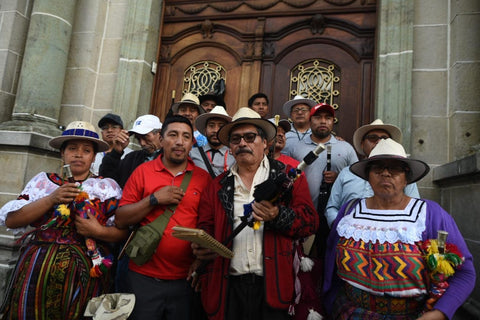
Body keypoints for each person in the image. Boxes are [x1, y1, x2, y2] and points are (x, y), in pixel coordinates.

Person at [324, 138, 476, 320]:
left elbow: (464, 272)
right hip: (349, 312)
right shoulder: (349, 211)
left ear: (407, 178)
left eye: (395, 168)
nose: (385, 174)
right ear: (367, 176)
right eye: (377, 168)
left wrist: (439, 313)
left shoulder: (430, 214)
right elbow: (330, 263)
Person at [192, 107, 318, 320]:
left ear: (265, 143)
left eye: (250, 137)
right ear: (230, 147)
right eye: (235, 139)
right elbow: (206, 225)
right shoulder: (216, 186)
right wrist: (202, 244)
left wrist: (276, 215)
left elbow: (310, 223)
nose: (242, 143)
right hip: (227, 288)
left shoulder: (289, 178)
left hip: (274, 286)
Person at [0, 121, 126, 319]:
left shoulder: (106, 188)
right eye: (72, 148)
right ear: (62, 153)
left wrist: (97, 231)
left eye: (86, 150)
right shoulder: (43, 182)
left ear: (94, 156)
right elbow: (12, 221)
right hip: (37, 272)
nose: (78, 154)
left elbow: (122, 232)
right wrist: (51, 199)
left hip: (84, 274)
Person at [115, 115, 212, 320]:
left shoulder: (203, 179)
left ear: (191, 143)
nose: (179, 141)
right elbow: (121, 219)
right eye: (173, 135)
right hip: (142, 277)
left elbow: (208, 225)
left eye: (186, 136)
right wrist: (153, 200)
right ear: (161, 139)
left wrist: (201, 260)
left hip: (185, 280)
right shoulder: (143, 172)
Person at [325, 119, 420, 227]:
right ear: (362, 144)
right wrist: (339, 226)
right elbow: (332, 207)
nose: (379, 142)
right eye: (373, 138)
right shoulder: (346, 173)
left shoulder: (403, 175)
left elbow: (414, 207)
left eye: (384, 139)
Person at [286, 103, 358, 210]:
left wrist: (339, 177)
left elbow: (357, 180)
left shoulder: (346, 148)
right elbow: (287, 180)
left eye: (328, 118)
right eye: (318, 117)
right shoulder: (296, 148)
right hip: (303, 214)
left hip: (336, 215)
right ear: (310, 121)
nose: (323, 121)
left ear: (333, 122)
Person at [99, 114, 162, 188]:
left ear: (159, 134)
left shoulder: (170, 158)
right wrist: (115, 153)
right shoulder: (132, 158)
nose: (142, 143)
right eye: (138, 139)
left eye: (145, 137)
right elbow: (107, 181)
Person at [190, 105, 235, 177]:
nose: (216, 130)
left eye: (221, 126)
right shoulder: (192, 154)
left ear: (227, 131)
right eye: (211, 126)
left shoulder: (235, 155)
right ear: (205, 130)